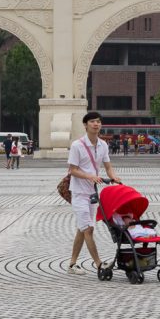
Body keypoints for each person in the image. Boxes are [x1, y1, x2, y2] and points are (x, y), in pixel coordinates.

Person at [66, 111, 121, 274]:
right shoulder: (77, 145)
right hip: (78, 193)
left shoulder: (103, 145)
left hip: (92, 195)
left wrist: (114, 178)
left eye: (98, 121)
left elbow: (108, 166)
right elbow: (73, 170)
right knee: (88, 229)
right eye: (92, 122)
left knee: (82, 229)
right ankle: (99, 264)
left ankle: (72, 264)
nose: (96, 124)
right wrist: (90, 176)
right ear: (85, 125)